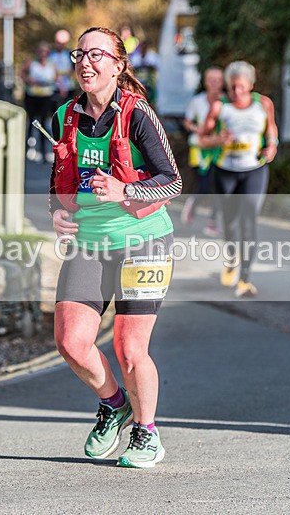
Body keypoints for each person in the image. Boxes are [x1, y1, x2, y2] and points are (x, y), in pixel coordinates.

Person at [49, 26, 182, 468]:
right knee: (71, 342)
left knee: (129, 348)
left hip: (143, 242)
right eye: (79, 54)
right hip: (88, 241)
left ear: (118, 65)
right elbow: (59, 180)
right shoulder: (64, 116)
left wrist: (125, 191)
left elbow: (173, 180)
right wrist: (57, 211)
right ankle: (114, 403)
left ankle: (147, 433)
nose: (85, 62)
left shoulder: (137, 114)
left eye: (96, 55)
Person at [200, 61, 278, 298]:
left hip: (255, 168)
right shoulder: (218, 107)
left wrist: (272, 146)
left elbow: (271, 129)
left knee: (249, 218)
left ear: (251, 86)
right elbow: (203, 138)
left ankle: (245, 279)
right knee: (231, 222)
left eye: (241, 87)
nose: (236, 92)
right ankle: (232, 256)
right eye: (232, 88)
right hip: (226, 170)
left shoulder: (263, 104)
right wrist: (218, 140)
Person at [182, 66, 225, 236]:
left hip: (220, 150)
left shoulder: (226, 101)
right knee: (206, 185)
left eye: (218, 80)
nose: (215, 84)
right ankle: (194, 202)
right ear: (205, 82)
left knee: (219, 187)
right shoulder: (197, 101)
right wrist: (196, 128)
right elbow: (187, 121)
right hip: (200, 150)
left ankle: (212, 222)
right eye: (211, 80)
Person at [21, 41, 58, 162]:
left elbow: (57, 77)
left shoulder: (51, 64)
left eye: (45, 51)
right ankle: (27, 150)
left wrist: (57, 85)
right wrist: (28, 80)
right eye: (40, 51)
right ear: (37, 52)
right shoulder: (31, 63)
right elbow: (22, 73)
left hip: (46, 96)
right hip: (32, 96)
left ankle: (43, 152)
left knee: (43, 122)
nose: (43, 54)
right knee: (31, 122)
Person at [49, 29, 77, 104]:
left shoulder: (69, 54)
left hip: (68, 86)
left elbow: (73, 69)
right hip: (54, 87)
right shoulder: (50, 54)